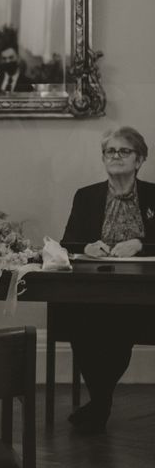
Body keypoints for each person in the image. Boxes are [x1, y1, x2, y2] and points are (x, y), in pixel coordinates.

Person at [60, 126, 155, 434]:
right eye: (109, 151)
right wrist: (86, 246)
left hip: (141, 292)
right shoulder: (86, 196)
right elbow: (68, 243)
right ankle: (102, 401)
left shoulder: (154, 195)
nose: (115, 156)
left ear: (139, 159)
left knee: (121, 327)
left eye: (123, 151)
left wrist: (141, 244)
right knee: (78, 320)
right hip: (95, 288)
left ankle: (100, 402)